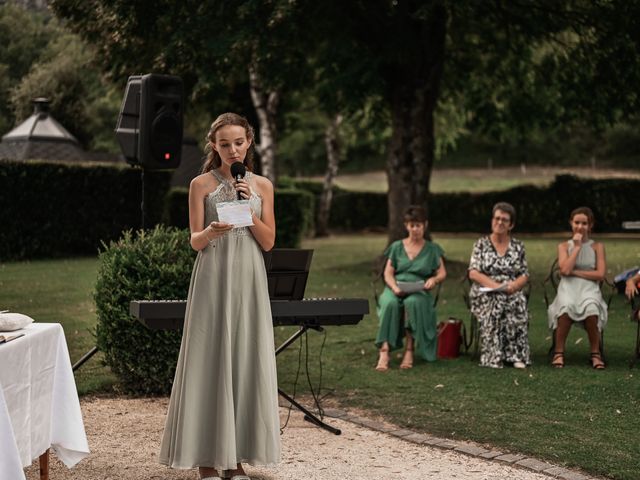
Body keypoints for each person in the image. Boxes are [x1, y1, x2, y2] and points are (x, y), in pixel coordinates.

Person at [158, 113, 280, 480]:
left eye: (238, 143)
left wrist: (248, 211)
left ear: (249, 143)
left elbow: (270, 241)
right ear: (214, 146)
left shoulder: (261, 185)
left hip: (249, 278)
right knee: (210, 360)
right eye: (224, 144)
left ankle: (236, 458)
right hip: (214, 276)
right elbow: (194, 241)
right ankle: (207, 460)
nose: (232, 149)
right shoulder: (199, 185)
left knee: (243, 359)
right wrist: (211, 230)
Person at [375, 205, 447, 371]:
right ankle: (384, 350)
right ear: (406, 226)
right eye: (412, 225)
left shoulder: (432, 249)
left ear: (425, 225)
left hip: (419, 289)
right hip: (396, 286)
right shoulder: (396, 247)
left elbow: (442, 272)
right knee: (390, 304)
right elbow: (388, 273)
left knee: (413, 303)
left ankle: (409, 348)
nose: (415, 229)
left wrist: (433, 280)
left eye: (418, 225)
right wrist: (393, 287)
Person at [468, 202, 530, 369]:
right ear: (492, 220)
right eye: (497, 218)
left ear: (511, 224)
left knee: (517, 302)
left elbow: (524, 274)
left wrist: (514, 286)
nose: (500, 222)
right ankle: (493, 356)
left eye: (504, 220)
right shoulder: (481, 244)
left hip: (511, 290)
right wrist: (497, 286)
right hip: (485, 291)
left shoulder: (518, 246)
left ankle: (516, 355)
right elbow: (473, 273)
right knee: (496, 301)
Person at [547, 206, 607, 369]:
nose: (580, 227)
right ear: (571, 223)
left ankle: (595, 353)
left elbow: (600, 274)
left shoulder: (597, 247)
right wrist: (578, 247)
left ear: (590, 225)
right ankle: (559, 351)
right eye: (577, 222)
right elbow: (565, 270)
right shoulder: (564, 247)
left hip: (589, 288)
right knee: (565, 307)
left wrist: (576, 272)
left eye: (584, 223)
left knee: (591, 308)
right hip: (568, 287)